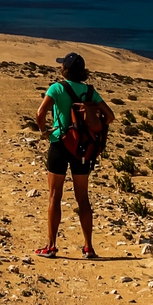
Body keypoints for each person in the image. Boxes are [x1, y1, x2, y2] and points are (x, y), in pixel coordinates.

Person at [34, 51, 114, 258]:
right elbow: (110, 116)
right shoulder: (90, 91)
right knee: (82, 198)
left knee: (55, 196)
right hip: (83, 149)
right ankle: (88, 247)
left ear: (65, 69)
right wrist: (92, 131)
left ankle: (51, 246)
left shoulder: (57, 88)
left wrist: (44, 131)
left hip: (60, 144)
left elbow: (40, 113)